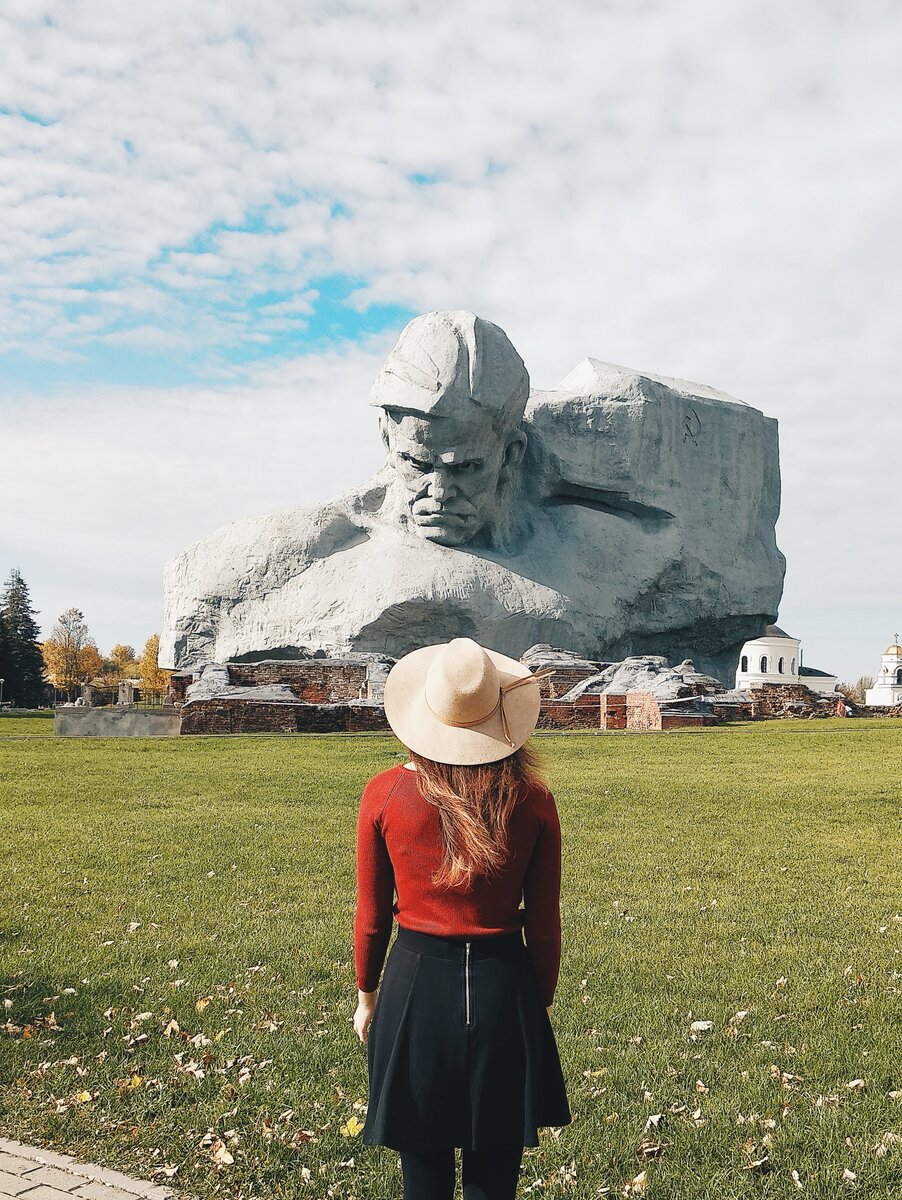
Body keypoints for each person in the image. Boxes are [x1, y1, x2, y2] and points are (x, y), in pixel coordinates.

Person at [353, 636, 572, 1199]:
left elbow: (372, 917)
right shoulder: (533, 799)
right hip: (504, 986)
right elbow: (544, 922)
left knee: (422, 1174)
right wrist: (539, 996)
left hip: (414, 986)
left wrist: (367, 995)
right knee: (493, 1177)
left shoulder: (384, 794)